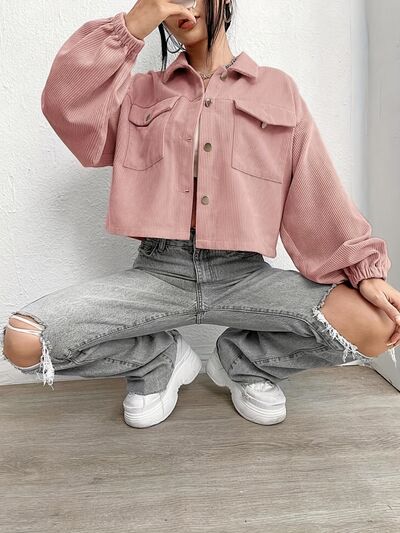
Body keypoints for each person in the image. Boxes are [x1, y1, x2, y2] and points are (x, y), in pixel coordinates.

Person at [2, 0, 399, 429]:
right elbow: (66, 102)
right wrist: (131, 25)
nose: (182, 8)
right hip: (159, 273)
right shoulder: (137, 93)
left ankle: (245, 362)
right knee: (24, 341)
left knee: (378, 325)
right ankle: (158, 359)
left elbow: (315, 187)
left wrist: (364, 272)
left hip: (244, 275)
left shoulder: (278, 90)